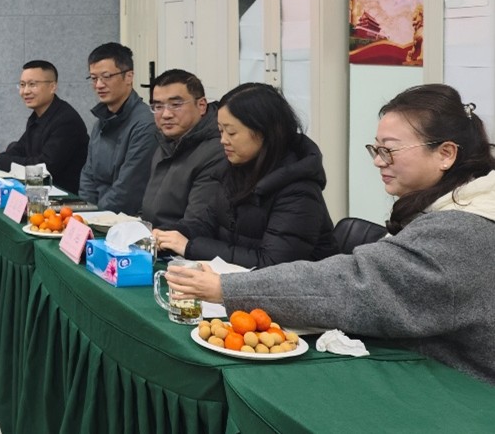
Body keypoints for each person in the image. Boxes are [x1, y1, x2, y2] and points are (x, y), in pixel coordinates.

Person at [166, 84, 495, 385]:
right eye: (376, 149)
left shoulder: (462, 231)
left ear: (445, 154)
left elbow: (356, 284)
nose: (379, 162)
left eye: (390, 150)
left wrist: (226, 288)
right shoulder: (444, 211)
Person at [153, 83, 337, 268]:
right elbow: (206, 224)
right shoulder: (235, 170)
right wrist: (167, 235)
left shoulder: (299, 190)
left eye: (231, 132)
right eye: (221, 131)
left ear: (264, 132)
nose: (223, 140)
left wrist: (189, 247)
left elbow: (273, 265)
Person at [0, 60, 89, 190]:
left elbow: (42, 170)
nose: (25, 91)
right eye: (22, 85)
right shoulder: (38, 115)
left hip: (64, 195)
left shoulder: (66, 121)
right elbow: (20, 149)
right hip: (40, 190)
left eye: (32, 84)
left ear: (52, 87)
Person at [139, 69, 224, 229]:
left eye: (176, 105)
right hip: (153, 235)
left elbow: (196, 224)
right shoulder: (166, 141)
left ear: (201, 105)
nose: (166, 114)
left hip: (180, 241)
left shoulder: (216, 150)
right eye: (158, 106)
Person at [78, 42, 158, 214]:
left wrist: (96, 216)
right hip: (96, 215)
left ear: (129, 76)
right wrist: (85, 210)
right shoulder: (101, 121)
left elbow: (128, 190)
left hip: (125, 218)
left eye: (106, 76)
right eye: (94, 78)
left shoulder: (146, 125)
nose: (99, 85)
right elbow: (88, 175)